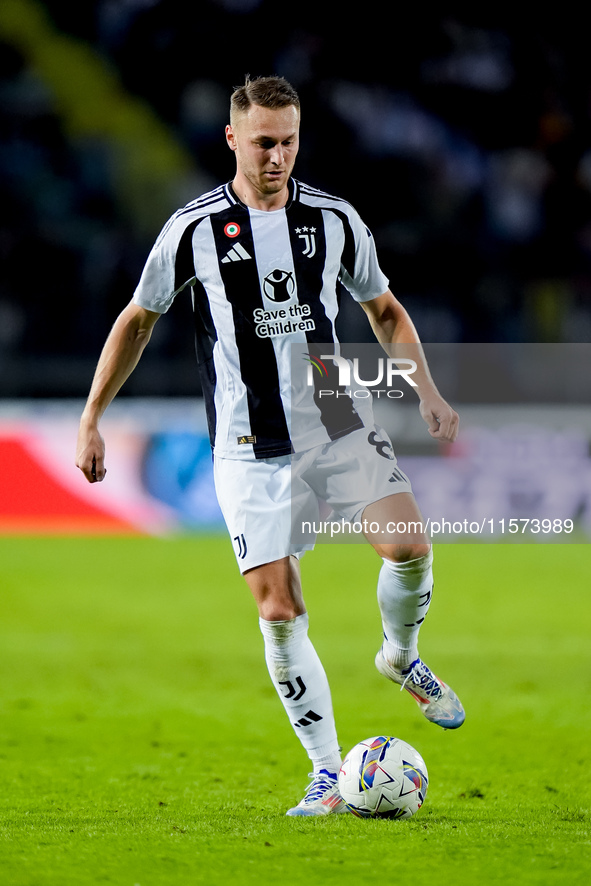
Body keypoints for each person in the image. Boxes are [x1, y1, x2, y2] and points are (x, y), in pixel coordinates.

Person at [76, 75, 464, 817]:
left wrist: (428, 393)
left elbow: (383, 308)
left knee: (408, 545)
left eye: (288, 140)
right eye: (263, 142)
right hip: (249, 444)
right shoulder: (191, 229)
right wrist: (93, 415)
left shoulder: (335, 219)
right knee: (279, 609)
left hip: (333, 415)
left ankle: (400, 656)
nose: (277, 155)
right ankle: (325, 772)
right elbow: (137, 319)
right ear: (232, 139)